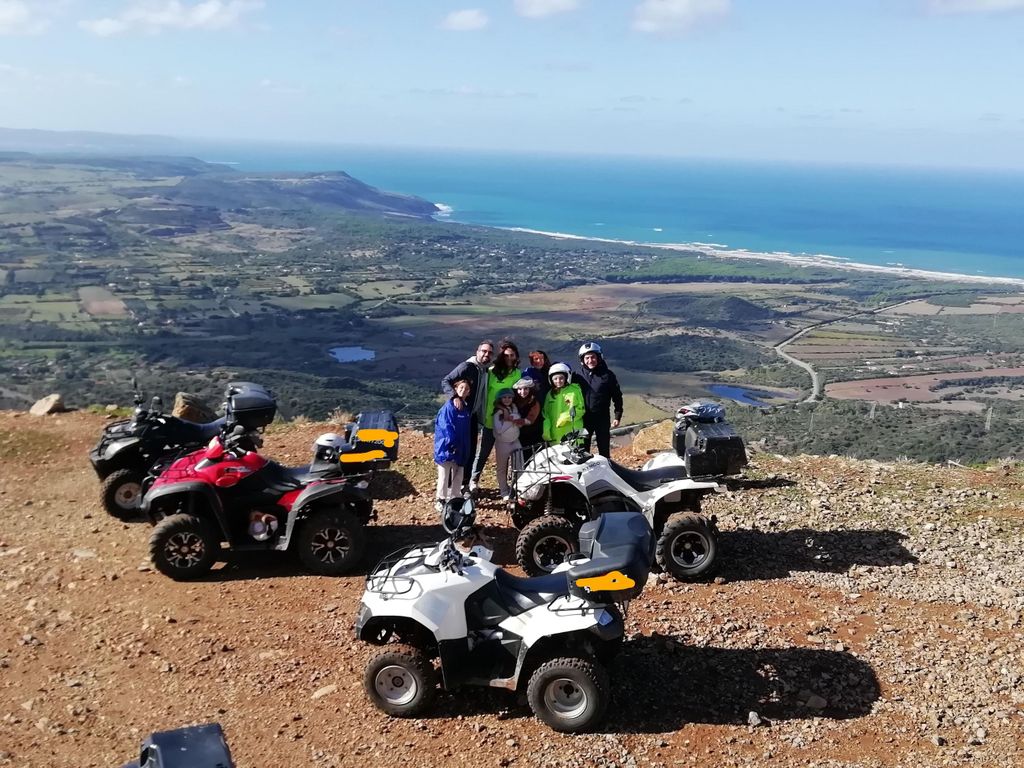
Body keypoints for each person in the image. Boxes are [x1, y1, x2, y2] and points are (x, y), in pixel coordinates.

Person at [441, 340, 494, 493]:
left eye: (490, 352)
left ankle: (463, 485)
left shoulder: (485, 371)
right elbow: (446, 380)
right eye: (484, 351)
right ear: (477, 351)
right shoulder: (467, 367)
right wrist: (454, 397)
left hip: (472, 417)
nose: (486, 354)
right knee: (456, 450)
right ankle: (449, 488)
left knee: (469, 451)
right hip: (459, 416)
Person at [470, 338, 522, 493]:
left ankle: (510, 486)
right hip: (489, 420)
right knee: (483, 453)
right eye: (506, 355)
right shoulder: (491, 372)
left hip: (508, 423)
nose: (509, 358)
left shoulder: (517, 373)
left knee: (508, 455)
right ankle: (473, 480)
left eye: (512, 355)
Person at [575, 341, 623, 458]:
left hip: (602, 418)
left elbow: (617, 396)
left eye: (593, 357)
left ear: (599, 357)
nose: (590, 360)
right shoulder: (577, 376)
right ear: (582, 360)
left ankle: (606, 473)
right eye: (587, 358)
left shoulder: (608, 375)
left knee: (604, 450)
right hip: (584, 419)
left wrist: (617, 416)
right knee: (583, 451)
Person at [433, 377, 473, 512]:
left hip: (461, 447)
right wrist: (452, 444)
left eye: (466, 389)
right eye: (461, 388)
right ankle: (441, 499)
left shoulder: (465, 408)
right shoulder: (449, 407)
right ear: (455, 389)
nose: (463, 390)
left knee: (458, 474)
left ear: (469, 392)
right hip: (447, 447)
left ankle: (455, 498)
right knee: (444, 475)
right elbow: (446, 427)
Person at [542, 362, 585, 444]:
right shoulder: (550, 394)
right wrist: (546, 430)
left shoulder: (574, 390)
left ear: (567, 377)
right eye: (555, 379)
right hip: (555, 435)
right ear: (551, 380)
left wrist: (565, 417)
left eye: (561, 378)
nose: (558, 381)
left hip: (571, 433)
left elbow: (581, 409)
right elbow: (546, 415)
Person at [491, 388, 521, 499]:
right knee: (502, 468)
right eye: (504, 397)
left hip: (515, 440)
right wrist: (512, 420)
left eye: (509, 397)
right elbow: (499, 429)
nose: (507, 399)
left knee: (518, 465)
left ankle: (517, 488)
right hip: (502, 443)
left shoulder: (514, 408)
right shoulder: (498, 412)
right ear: (500, 399)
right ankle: (504, 491)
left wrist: (512, 419)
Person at [513, 377, 543, 460]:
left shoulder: (534, 402)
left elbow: (530, 420)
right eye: (520, 389)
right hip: (519, 436)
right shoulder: (514, 401)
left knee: (532, 459)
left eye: (525, 389)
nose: (522, 392)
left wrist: (515, 422)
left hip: (533, 436)